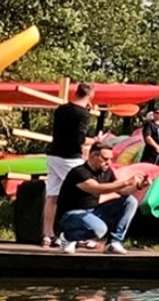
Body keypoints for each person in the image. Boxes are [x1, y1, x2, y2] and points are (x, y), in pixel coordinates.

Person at [55, 141, 149, 254]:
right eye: (105, 159)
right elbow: (97, 188)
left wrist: (139, 186)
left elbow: (121, 191)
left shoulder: (106, 171)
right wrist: (127, 182)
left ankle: (114, 243)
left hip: (93, 212)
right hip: (70, 216)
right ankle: (67, 237)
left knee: (130, 201)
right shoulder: (79, 172)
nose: (108, 162)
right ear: (93, 155)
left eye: (110, 159)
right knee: (99, 229)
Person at [44, 82, 97, 247]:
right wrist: (95, 140)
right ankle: (76, 235)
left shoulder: (61, 109)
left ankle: (48, 234)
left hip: (53, 155)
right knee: (82, 194)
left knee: (52, 195)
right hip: (70, 158)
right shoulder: (83, 114)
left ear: (76, 92)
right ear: (90, 96)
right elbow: (78, 139)